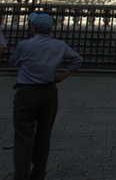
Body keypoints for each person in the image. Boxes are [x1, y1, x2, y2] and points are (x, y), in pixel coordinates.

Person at [10, 12, 83, 179]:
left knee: (23, 136)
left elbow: (12, 62)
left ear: (34, 28)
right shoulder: (59, 45)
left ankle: (20, 175)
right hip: (49, 92)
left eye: (31, 24)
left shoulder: (25, 45)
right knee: (44, 136)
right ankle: (38, 173)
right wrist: (65, 73)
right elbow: (77, 60)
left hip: (26, 92)